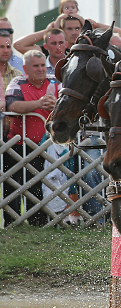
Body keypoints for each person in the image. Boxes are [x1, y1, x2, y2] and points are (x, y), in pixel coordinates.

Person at [4, 50, 60, 226]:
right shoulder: (18, 81)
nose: (41, 69)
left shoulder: (55, 82)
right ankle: (12, 224)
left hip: (46, 145)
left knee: (39, 185)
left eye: (43, 65)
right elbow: (12, 105)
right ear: (25, 68)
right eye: (35, 66)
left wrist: (56, 106)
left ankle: (38, 224)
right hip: (18, 143)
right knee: (12, 185)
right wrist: (39, 104)